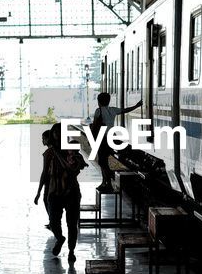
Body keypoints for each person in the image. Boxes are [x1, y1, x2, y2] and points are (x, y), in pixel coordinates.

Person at [36, 123, 85, 261]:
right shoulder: (49, 154)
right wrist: (39, 191)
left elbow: (75, 169)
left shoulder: (72, 151)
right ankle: (60, 238)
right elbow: (44, 173)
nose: (57, 135)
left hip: (71, 192)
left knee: (71, 223)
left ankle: (71, 250)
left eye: (60, 132)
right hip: (54, 191)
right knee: (53, 222)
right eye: (55, 133)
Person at [91, 92, 142, 192]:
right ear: (108, 101)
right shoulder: (113, 110)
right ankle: (105, 182)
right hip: (111, 138)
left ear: (99, 101)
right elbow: (125, 110)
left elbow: (94, 126)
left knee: (102, 162)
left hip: (102, 139)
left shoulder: (98, 111)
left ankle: (107, 183)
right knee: (104, 161)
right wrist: (137, 105)